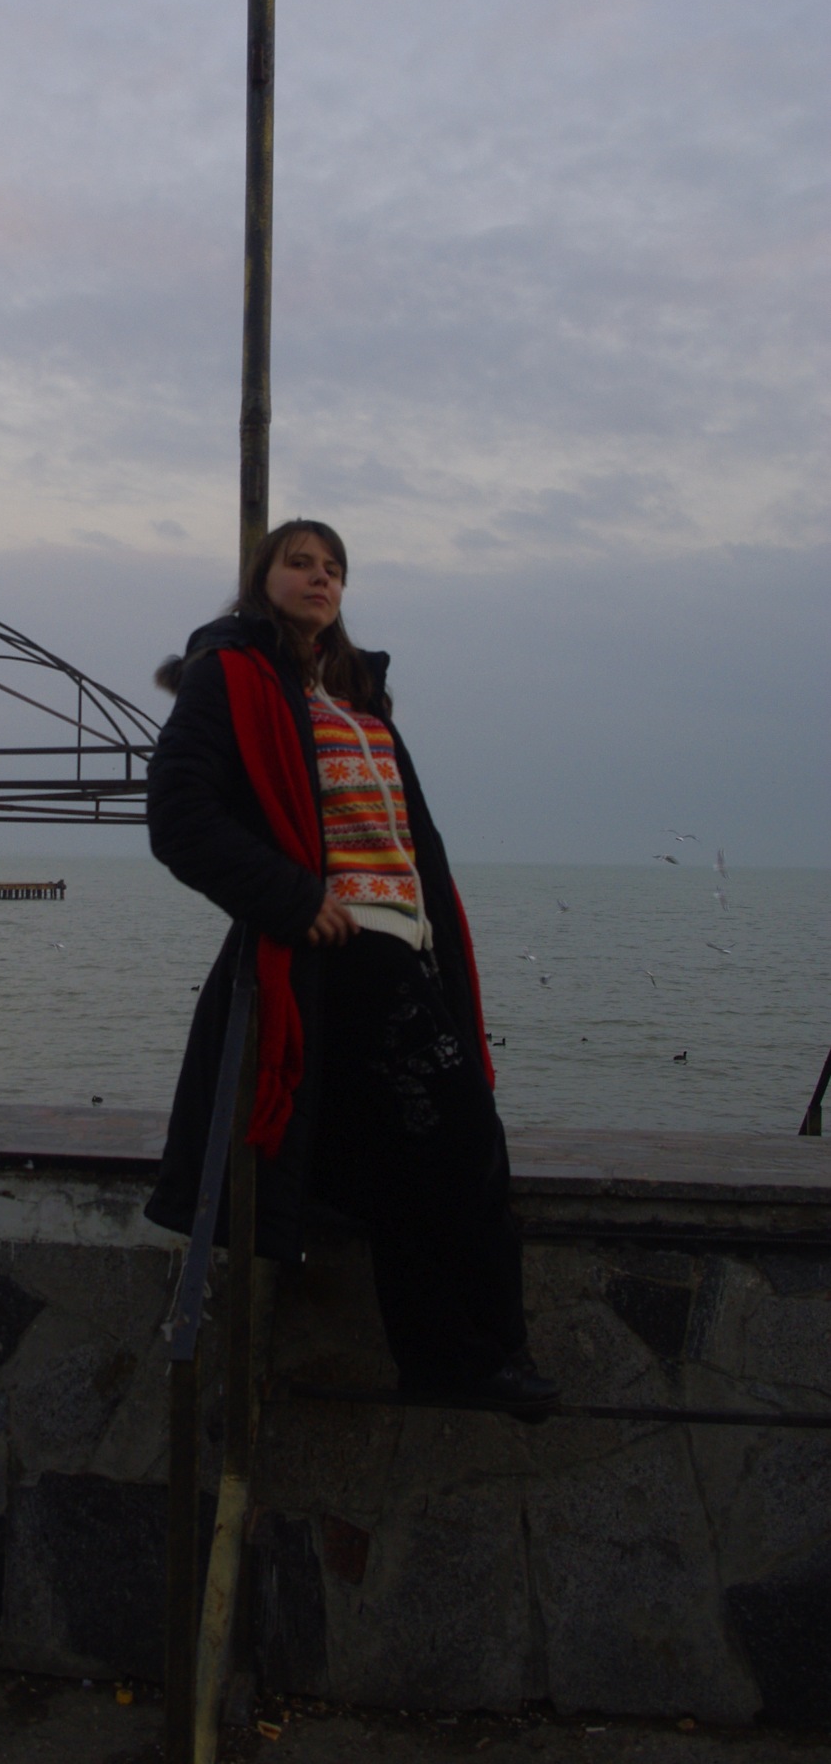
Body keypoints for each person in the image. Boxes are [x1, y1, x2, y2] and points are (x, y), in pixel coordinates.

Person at [146, 519, 556, 1413]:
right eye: (298, 562)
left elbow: (411, 841)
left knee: (420, 1154)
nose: (319, 578)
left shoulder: (355, 698)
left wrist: (435, 942)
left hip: (405, 946)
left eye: (333, 567)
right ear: (261, 579)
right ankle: (468, 1359)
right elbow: (178, 819)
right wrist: (295, 900)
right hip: (341, 950)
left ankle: (459, 1358)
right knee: (459, 1139)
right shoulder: (229, 674)